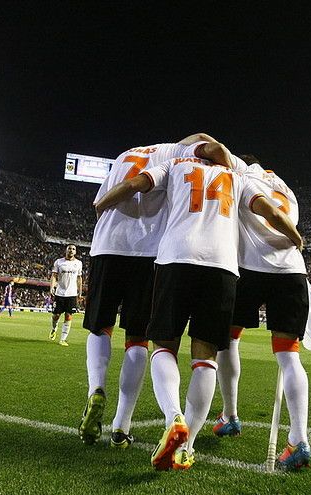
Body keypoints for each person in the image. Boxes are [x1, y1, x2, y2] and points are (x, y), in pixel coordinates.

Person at [94, 153, 301, 471]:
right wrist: (295, 236)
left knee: (164, 346)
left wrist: (101, 203)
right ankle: (186, 446)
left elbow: (135, 183)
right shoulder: (237, 178)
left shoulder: (175, 164)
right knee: (206, 358)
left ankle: (173, 416)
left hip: (175, 258)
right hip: (222, 267)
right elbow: (268, 210)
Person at [77, 133, 229, 448]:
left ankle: (95, 389)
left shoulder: (124, 154)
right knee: (137, 339)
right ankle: (121, 425)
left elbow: (117, 189)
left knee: (99, 327)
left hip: (106, 244)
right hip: (148, 252)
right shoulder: (178, 154)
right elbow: (209, 144)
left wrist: (98, 206)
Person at [212, 155, 311, 471]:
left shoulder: (244, 179)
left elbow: (266, 211)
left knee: (227, 341)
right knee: (289, 356)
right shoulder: (283, 186)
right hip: (292, 271)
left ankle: (230, 415)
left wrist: (296, 238)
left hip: (251, 270)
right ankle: (298, 440)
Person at [50, 245, 84, 346]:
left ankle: (63, 339)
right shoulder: (59, 262)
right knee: (56, 315)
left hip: (72, 293)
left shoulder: (78, 263)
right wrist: (52, 287)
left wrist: (80, 291)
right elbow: (54, 276)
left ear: (75, 252)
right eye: (69, 248)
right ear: (66, 250)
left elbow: (79, 278)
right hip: (60, 293)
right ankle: (54, 328)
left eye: (73, 249)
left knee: (68, 316)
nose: (71, 250)